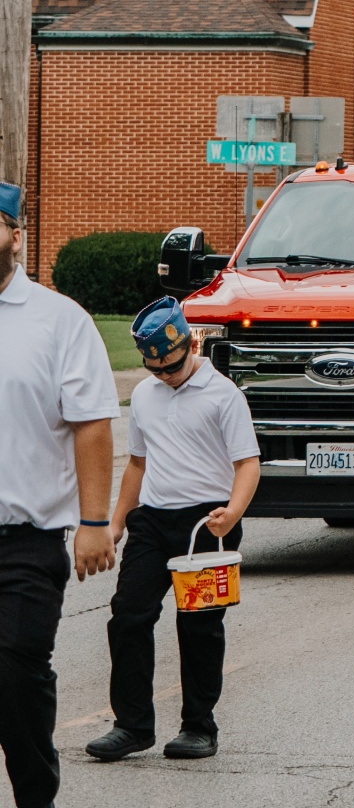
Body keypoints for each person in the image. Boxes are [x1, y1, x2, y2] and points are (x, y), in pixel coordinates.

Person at [85, 297, 259, 764]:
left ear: (192, 343)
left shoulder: (225, 395)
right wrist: (117, 520)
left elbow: (247, 464)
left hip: (206, 524)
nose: (163, 374)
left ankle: (199, 726)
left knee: (199, 626)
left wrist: (233, 511)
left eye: (171, 364)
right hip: (154, 519)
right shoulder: (144, 395)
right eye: (154, 367)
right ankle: (132, 725)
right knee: (128, 615)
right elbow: (137, 465)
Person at [0, 180, 119, 808]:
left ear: (15, 235)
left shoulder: (57, 320)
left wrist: (94, 520)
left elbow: (92, 422)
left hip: (24, 541)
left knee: (16, 676)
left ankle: (34, 799)